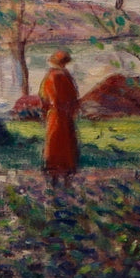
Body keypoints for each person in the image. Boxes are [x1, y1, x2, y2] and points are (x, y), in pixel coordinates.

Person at [39, 49, 80, 188]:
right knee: (66, 145)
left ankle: (54, 177)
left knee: (54, 142)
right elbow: (74, 98)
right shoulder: (65, 76)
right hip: (64, 115)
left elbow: (44, 98)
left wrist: (45, 111)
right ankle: (66, 178)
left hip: (54, 115)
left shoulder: (50, 77)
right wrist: (71, 110)